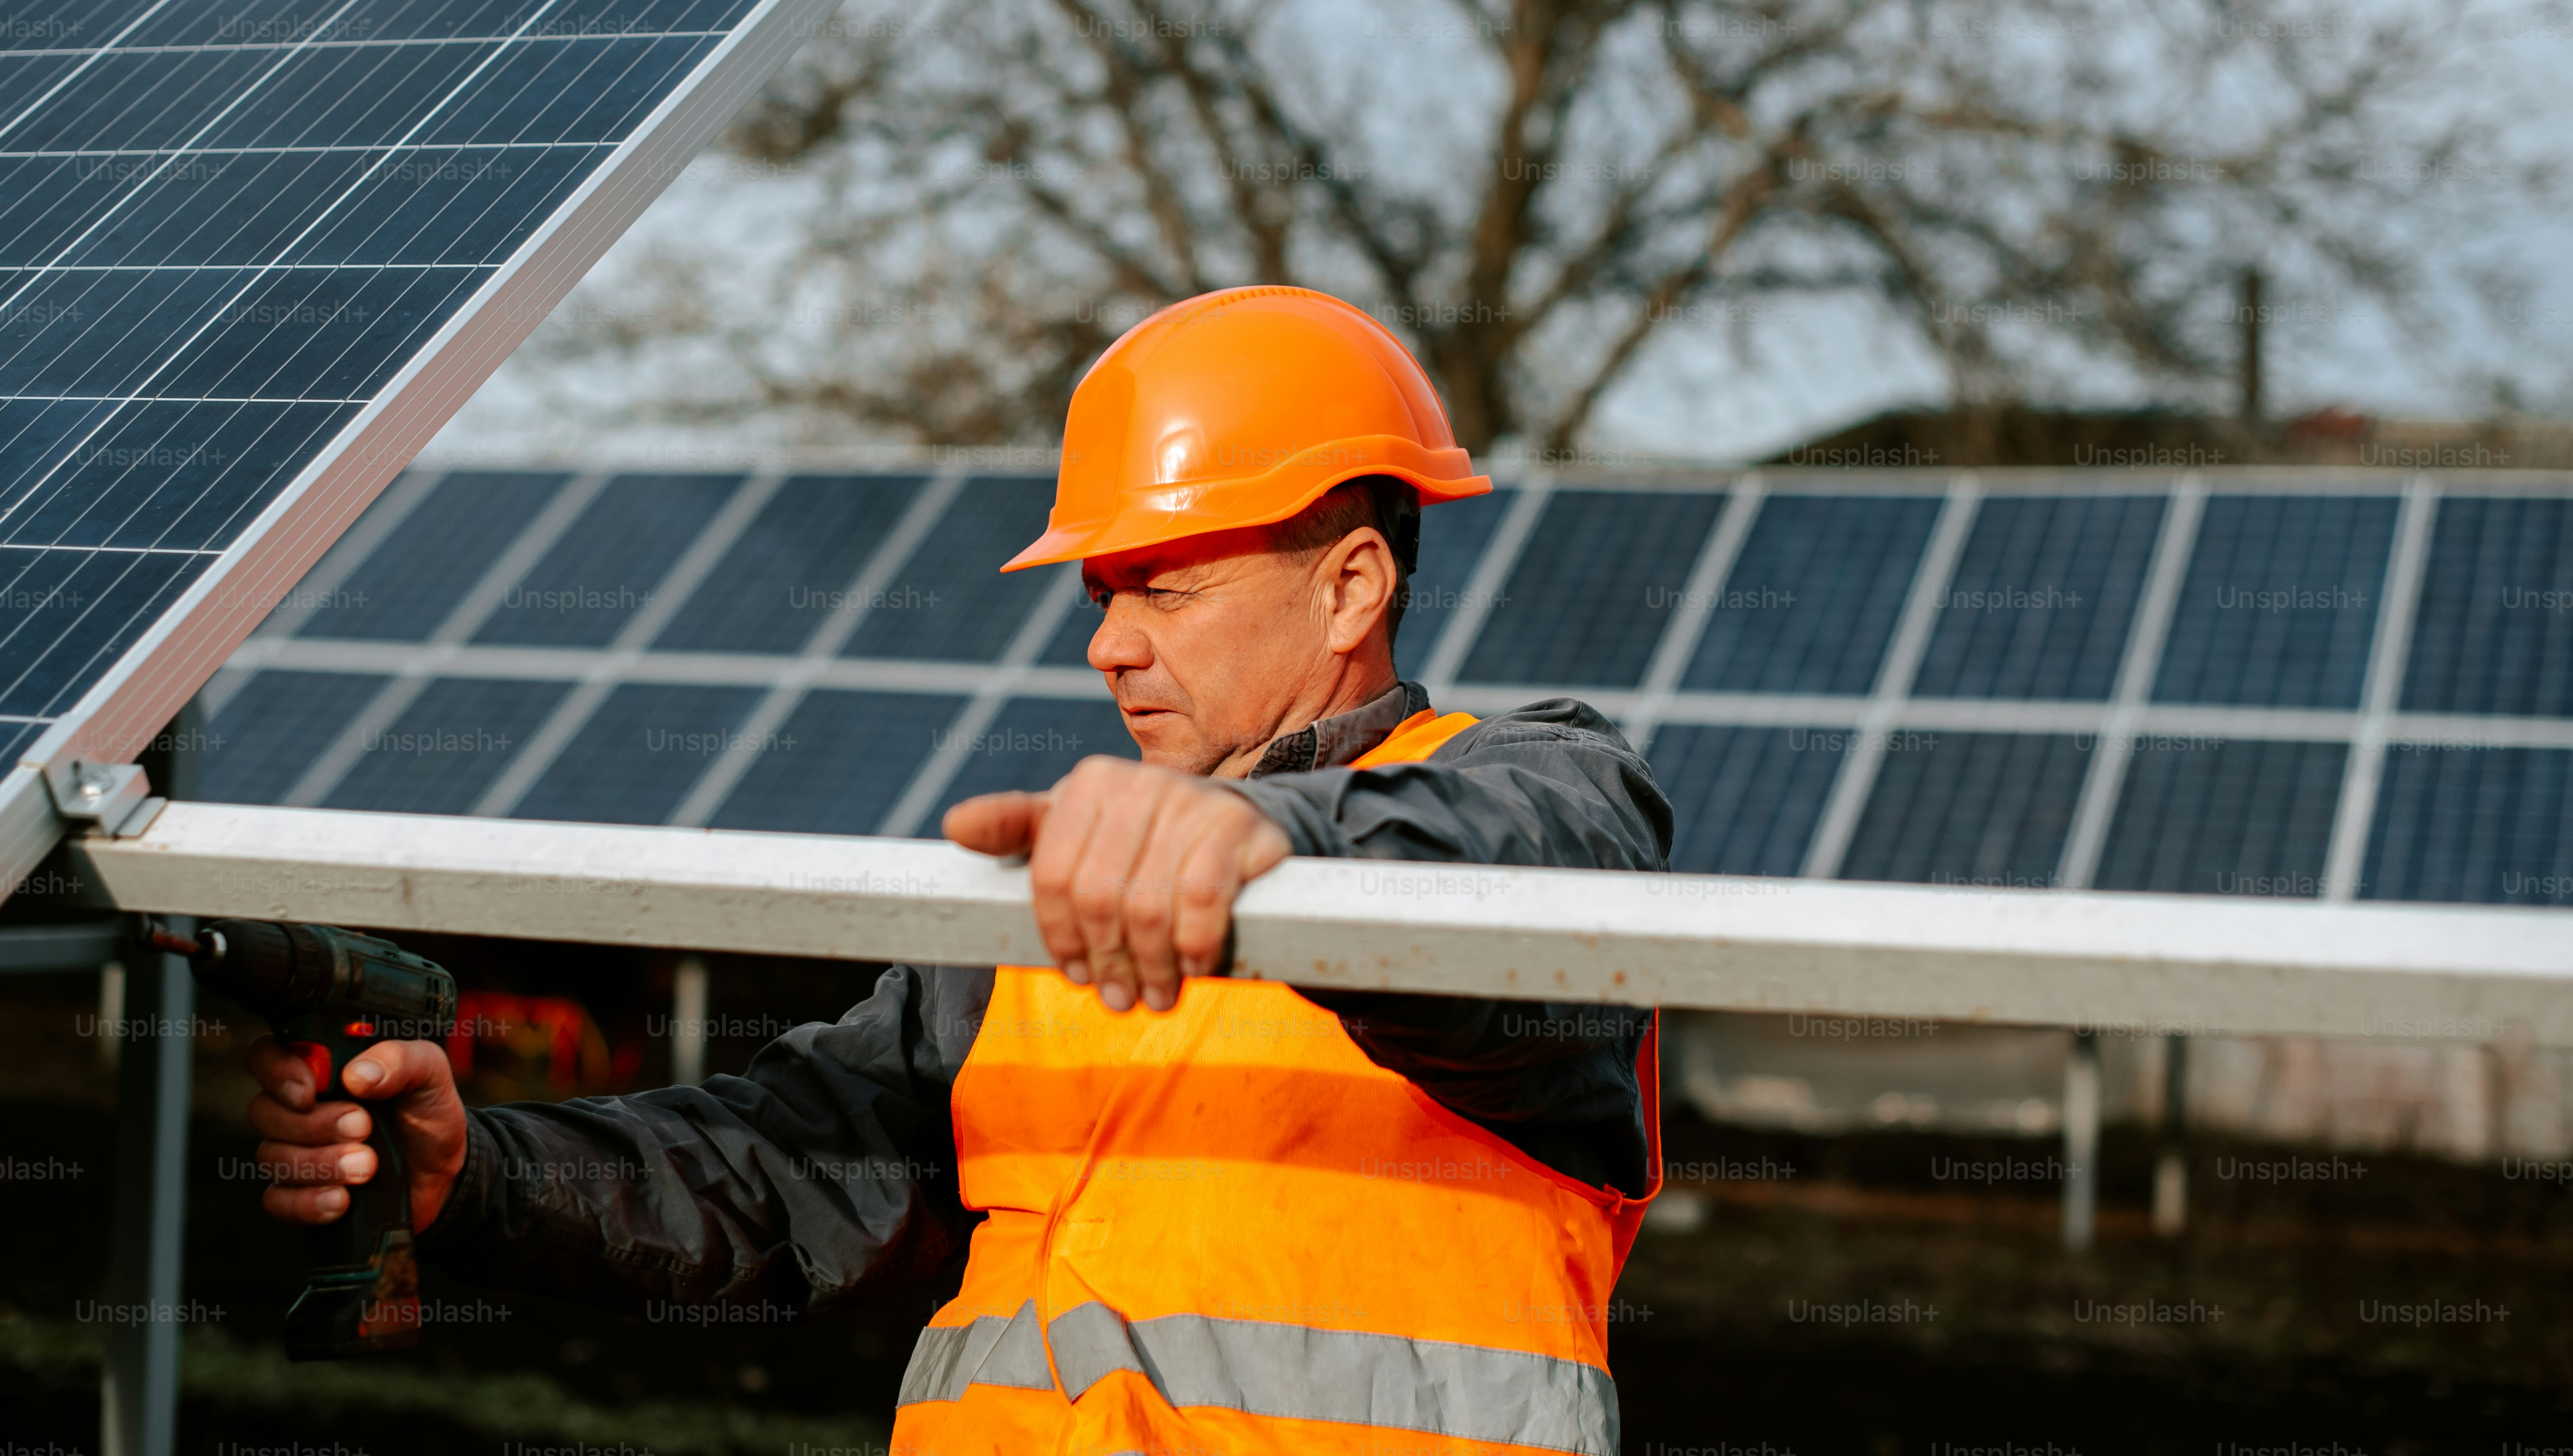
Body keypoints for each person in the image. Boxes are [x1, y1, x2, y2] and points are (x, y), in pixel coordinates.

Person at [243, 285, 1674, 1454]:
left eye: (1164, 587)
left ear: (1351, 583)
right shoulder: (1055, 899)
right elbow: (785, 1168)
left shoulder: (1534, 786)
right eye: (1101, 597)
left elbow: (1508, 868)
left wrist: (1273, 838)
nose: (1107, 646)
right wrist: (476, 1174)